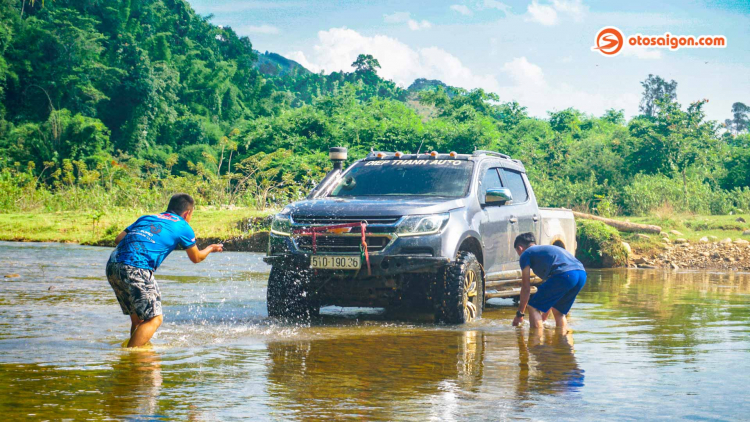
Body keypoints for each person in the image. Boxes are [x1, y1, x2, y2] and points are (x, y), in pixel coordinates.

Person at [106, 193, 223, 347]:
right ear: (187, 213)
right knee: (155, 319)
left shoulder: (147, 217)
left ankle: (137, 362)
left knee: (139, 319)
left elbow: (118, 239)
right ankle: (130, 358)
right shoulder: (183, 226)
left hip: (113, 265)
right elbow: (196, 258)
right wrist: (210, 248)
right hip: (136, 267)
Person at [511, 232, 586, 331]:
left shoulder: (526, 254)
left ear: (520, 248)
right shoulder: (545, 251)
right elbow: (550, 296)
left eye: (518, 252)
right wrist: (543, 318)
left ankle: (536, 343)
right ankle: (562, 344)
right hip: (581, 274)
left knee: (533, 307)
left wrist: (520, 314)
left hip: (565, 275)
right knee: (558, 312)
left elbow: (526, 288)